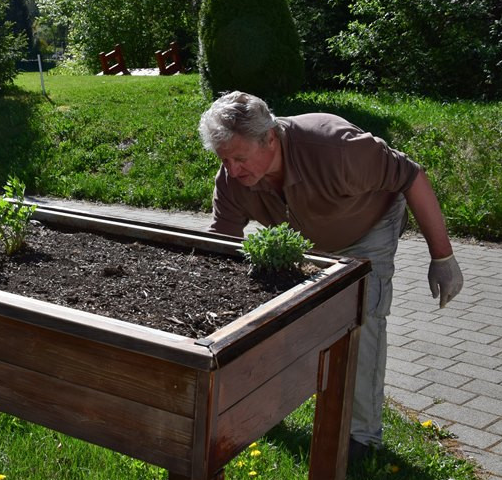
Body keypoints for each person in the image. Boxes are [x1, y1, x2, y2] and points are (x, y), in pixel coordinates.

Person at [198, 91, 463, 459]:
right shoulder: (233, 177)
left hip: (369, 226)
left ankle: (361, 438)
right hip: (312, 235)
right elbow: (222, 243)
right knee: (281, 317)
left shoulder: (337, 148)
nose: (231, 170)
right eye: (223, 159)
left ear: (270, 139)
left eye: (239, 158)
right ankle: (261, 410)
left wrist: (443, 257)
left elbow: (412, 176)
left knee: (363, 318)